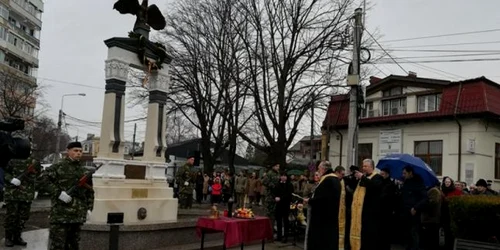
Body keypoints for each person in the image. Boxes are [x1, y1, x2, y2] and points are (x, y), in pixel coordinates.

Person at [44, 142, 95, 250]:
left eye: (80, 151)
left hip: (77, 216)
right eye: (75, 151)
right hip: (61, 215)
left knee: (73, 245)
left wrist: (89, 208)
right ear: (68, 151)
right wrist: (58, 193)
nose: (78, 153)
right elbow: (42, 181)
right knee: (58, 245)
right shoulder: (58, 167)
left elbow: (90, 192)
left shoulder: (84, 171)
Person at [3, 157, 42, 247]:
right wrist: (11, 179)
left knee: (23, 217)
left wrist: (37, 189)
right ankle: (8, 238)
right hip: (13, 194)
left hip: (27, 194)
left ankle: (17, 237)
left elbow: (38, 176)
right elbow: (5, 173)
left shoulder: (35, 161)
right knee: (11, 216)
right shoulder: (12, 160)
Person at [304, 161, 343, 250]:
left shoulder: (328, 180)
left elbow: (322, 199)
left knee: (322, 242)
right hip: (330, 216)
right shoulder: (335, 179)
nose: (318, 170)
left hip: (323, 218)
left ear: (323, 169)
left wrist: (310, 200)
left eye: (319, 168)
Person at [350, 159, 384, 250]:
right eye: (363, 166)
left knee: (369, 236)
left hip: (370, 212)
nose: (363, 168)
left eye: (366, 166)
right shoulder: (363, 177)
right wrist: (355, 178)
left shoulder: (377, 177)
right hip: (360, 212)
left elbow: (375, 187)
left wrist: (363, 178)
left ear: (371, 167)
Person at [400, 166, 428, 250]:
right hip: (405, 212)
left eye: (405, 173)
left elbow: (425, 198)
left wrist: (416, 208)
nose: (403, 175)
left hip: (414, 213)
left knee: (414, 233)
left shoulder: (418, 183)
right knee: (408, 233)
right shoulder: (406, 182)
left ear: (410, 173)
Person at [273, 171, 294, 243]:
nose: (283, 177)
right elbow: (274, 192)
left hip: (285, 205)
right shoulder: (277, 184)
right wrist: (275, 197)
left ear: (287, 177)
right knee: (278, 221)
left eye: (285, 176)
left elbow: (289, 195)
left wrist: (280, 198)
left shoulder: (289, 185)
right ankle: (279, 236)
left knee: (285, 221)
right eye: (282, 176)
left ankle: (285, 236)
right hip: (278, 205)